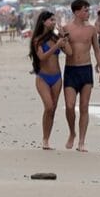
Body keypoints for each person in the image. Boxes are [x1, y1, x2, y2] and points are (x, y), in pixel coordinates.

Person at [60, 0, 100, 152]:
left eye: (88, 10)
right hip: (71, 70)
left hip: (86, 70)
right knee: (69, 106)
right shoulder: (66, 28)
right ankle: (72, 132)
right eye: (85, 10)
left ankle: (81, 141)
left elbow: (97, 51)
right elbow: (62, 48)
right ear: (76, 11)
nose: (88, 13)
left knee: (84, 107)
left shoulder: (92, 29)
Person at [27, 11, 69, 149]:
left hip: (57, 77)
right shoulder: (37, 39)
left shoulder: (56, 37)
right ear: (44, 22)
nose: (53, 22)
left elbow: (69, 52)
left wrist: (63, 38)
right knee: (49, 106)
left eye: (54, 20)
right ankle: (44, 139)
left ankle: (47, 140)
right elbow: (42, 57)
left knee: (53, 109)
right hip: (43, 77)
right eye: (51, 20)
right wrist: (56, 46)